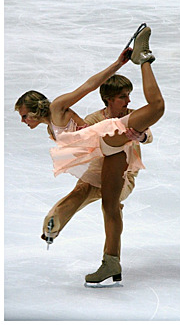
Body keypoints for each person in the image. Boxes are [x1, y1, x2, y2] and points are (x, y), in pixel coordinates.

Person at [15, 25, 164, 285]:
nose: (23, 121)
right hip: (104, 153)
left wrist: (118, 64)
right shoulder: (53, 125)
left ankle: (144, 59)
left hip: (107, 141)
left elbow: (89, 85)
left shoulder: (58, 107)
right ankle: (101, 256)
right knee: (100, 201)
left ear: (34, 109)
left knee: (155, 109)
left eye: (24, 115)